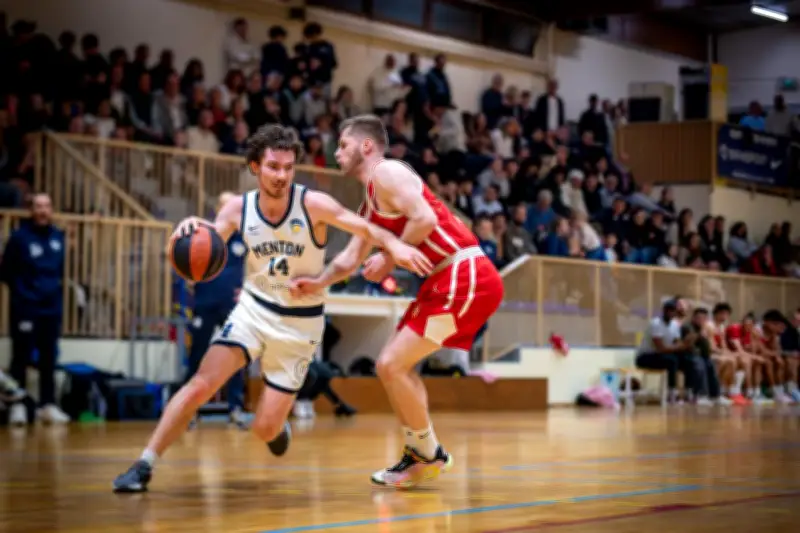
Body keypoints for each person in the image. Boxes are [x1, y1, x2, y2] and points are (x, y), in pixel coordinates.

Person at [112, 124, 432, 493]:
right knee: (201, 384)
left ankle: (277, 423)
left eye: (288, 167)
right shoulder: (237, 208)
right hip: (254, 310)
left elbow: (367, 229)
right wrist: (190, 226)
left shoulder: (314, 204)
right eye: (273, 167)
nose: (281, 175)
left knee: (263, 428)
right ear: (255, 167)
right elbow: (208, 240)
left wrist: (397, 248)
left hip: (300, 326)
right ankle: (144, 464)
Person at [290, 114, 504, 489]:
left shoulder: (386, 172)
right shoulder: (370, 203)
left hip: (464, 275)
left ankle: (427, 454)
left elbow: (422, 218)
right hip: (445, 280)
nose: (336, 152)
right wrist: (318, 283)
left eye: (343, 145)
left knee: (391, 364)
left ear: (367, 146)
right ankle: (423, 452)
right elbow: (350, 258)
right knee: (392, 368)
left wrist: (389, 256)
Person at [0, 193, 70, 425]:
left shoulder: (58, 237)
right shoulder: (19, 238)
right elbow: (6, 272)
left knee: (49, 359)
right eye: (38, 206)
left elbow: (59, 272)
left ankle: (47, 405)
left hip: (51, 310)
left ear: (51, 210)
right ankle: (16, 405)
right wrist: (23, 296)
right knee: (21, 358)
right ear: (31, 209)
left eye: (47, 206)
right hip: (26, 309)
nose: (42, 211)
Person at [186, 192, 248, 429]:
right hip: (204, 304)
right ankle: (189, 410)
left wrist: (248, 288)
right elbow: (185, 264)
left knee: (235, 355)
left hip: (231, 306)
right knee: (197, 355)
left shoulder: (244, 238)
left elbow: (258, 266)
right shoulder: (203, 237)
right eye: (228, 205)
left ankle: (236, 408)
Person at [635, 299, 697, 403]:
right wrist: (680, 346)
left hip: (664, 355)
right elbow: (660, 348)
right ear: (663, 311)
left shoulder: (674, 325)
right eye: (668, 310)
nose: (670, 313)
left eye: (673, 311)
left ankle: (688, 392)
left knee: (688, 360)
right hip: (645, 357)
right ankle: (671, 393)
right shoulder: (656, 323)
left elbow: (677, 343)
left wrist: (687, 343)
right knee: (671, 361)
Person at [682, 307, 732, 406]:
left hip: (701, 355)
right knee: (700, 365)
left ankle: (715, 395)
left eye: (703, 318)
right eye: (698, 318)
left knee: (710, 364)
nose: (701, 320)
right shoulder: (687, 327)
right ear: (693, 318)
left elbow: (707, 347)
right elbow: (687, 343)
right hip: (686, 355)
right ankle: (701, 395)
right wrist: (698, 335)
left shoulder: (704, 328)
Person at [704, 302, 748, 405]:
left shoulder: (722, 327)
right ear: (716, 313)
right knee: (729, 361)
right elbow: (712, 347)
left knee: (742, 360)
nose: (725, 316)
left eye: (727, 314)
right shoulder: (709, 325)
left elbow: (724, 346)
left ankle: (735, 391)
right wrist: (725, 354)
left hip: (718, 353)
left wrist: (731, 353)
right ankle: (720, 392)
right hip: (709, 354)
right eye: (722, 313)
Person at [780, 308, 800, 401]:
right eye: (794, 319)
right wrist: (791, 353)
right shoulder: (786, 330)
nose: (796, 321)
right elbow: (780, 349)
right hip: (788, 355)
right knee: (792, 362)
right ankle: (793, 390)